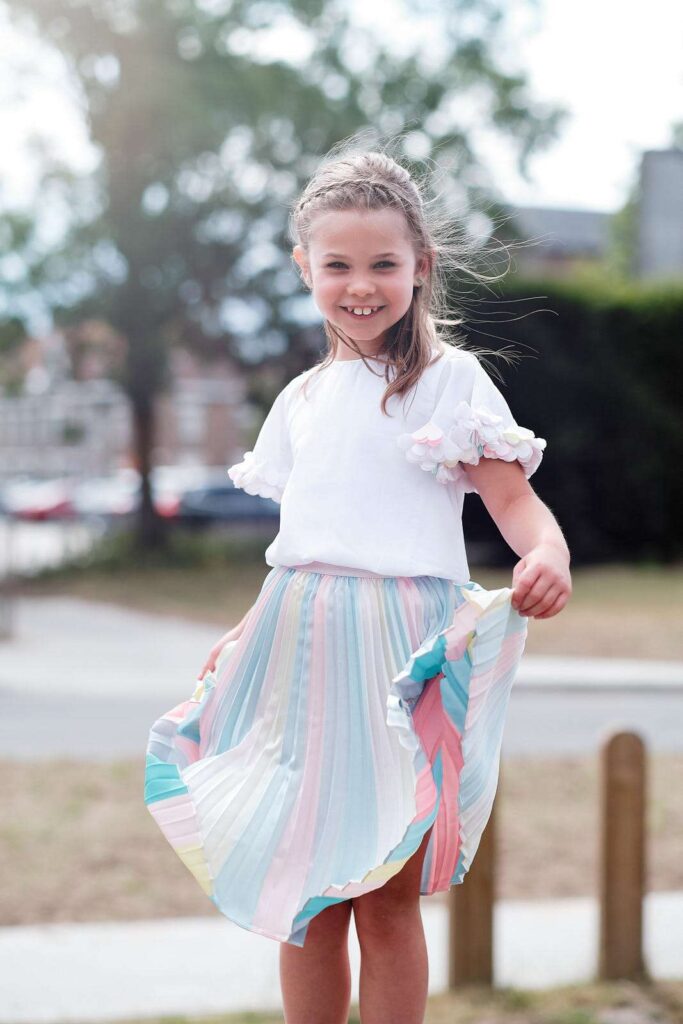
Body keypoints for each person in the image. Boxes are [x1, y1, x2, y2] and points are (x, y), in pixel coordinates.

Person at [144, 137, 571, 1024]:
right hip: (298, 648)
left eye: (384, 262)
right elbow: (301, 542)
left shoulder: (449, 381)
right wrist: (247, 629)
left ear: (421, 265)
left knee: (381, 891)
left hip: (400, 651)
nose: (361, 283)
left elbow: (512, 498)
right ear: (305, 267)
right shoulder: (299, 399)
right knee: (304, 895)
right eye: (337, 264)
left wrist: (548, 552)